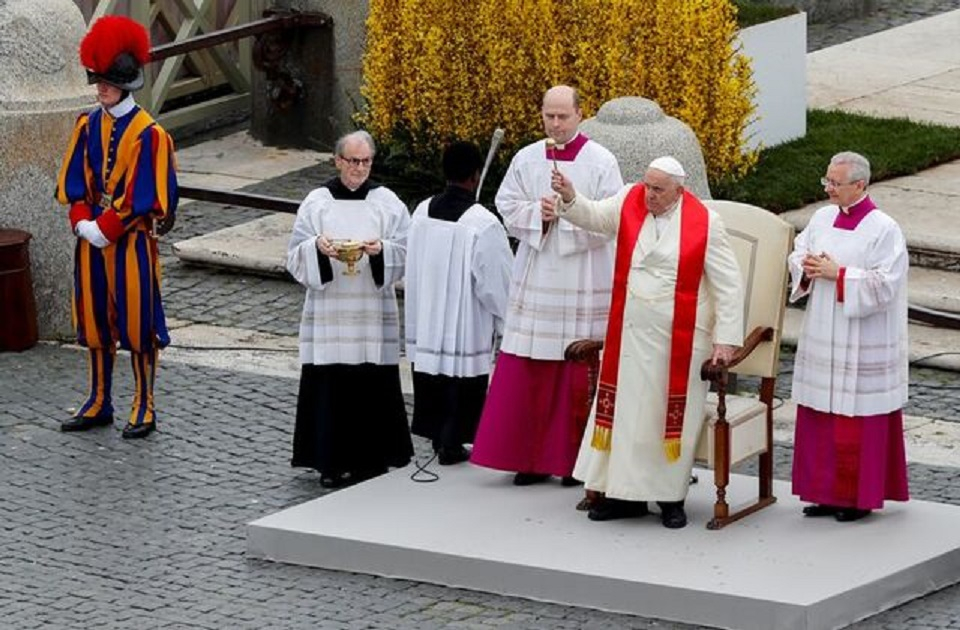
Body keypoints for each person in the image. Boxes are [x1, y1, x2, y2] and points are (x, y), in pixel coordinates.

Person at [550, 156, 744, 529]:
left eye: (658, 190)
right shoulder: (629, 199)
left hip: (680, 341)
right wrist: (571, 195)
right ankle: (623, 497)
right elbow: (592, 216)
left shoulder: (706, 223)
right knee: (624, 418)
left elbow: (728, 284)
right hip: (631, 333)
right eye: (647, 185)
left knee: (666, 420)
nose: (649, 195)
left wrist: (726, 340)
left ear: (679, 191)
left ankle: (670, 499)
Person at [470, 85, 623, 486]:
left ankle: (574, 461)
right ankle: (530, 458)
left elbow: (612, 220)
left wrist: (569, 214)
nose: (555, 124)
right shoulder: (526, 157)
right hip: (538, 271)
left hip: (584, 273)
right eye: (549, 116)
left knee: (577, 367)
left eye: (563, 117)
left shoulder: (601, 161)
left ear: (579, 114)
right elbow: (505, 205)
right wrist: (537, 214)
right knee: (532, 365)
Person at [55, 16, 178, 439]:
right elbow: (73, 182)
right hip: (91, 240)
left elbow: (146, 196)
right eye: (98, 81)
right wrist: (81, 223)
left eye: (106, 82)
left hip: (130, 243)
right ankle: (98, 399)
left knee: (139, 323)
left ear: (124, 83)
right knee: (93, 322)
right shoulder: (87, 124)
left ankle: (144, 403)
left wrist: (103, 228)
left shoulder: (151, 135)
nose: (99, 87)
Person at [286, 130, 413, 488]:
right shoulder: (317, 202)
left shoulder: (387, 202)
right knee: (332, 385)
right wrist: (317, 248)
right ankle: (330, 460)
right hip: (330, 312)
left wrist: (382, 251)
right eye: (353, 161)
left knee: (371, 381)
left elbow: (406, 250)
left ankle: (374, 458)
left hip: (372, 312)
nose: (359, 168)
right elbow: (295, 254)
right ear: (338, 160)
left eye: (366, 161)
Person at [788, 151, 909, 522]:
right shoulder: (822, 217)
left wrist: (838, 274)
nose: (828, 189)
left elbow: (886, 284)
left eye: (835, 183)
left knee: (855, 420)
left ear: (860, 185)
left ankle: (855, 499)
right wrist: (805, 267)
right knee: (820, 413)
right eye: (826, 181)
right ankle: (822, 492)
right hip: (824, 328)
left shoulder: (883, 228)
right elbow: (798, 251)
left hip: (862, 337)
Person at [405, 141, 513, 464]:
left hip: (427, 314)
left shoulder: (422, 211)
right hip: (464, 321)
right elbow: (496, 282)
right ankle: (452, 441)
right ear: (476, 174)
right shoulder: (483, 223)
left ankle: (440, 437)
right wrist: (507, 317)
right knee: (460, 375)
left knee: (433, 372)